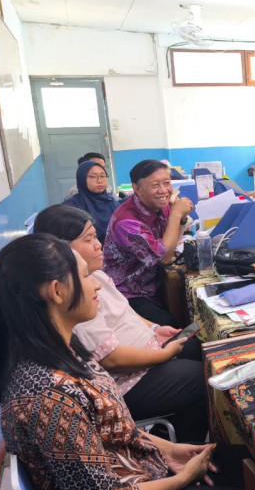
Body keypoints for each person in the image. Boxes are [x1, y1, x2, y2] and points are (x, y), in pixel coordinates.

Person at [0, 233, 249, 490]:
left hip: (137, 473)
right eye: (85, 277)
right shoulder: (50, 397)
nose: (96, 285)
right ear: (57, 291)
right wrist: (183, 479)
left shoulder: (62, 350)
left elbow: (112, 431)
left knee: (251, 465)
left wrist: (168, 450)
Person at [34, 205, 209, 443]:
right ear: (60, 249)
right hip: (127, 381)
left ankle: (173, 432)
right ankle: (185, 450)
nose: (98, 245)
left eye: (96, 236)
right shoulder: (75, 299)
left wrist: (154, 329)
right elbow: (112, 359)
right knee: (202, 377)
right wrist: (163, 355)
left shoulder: (96, 276)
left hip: (146, 352)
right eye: (88, 239)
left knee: (198, 348)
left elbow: (125, 311)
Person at [103, 159, 195, 326]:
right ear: (137, 189)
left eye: (167, 183)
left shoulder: (159, 205)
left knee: (187, 308)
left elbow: (171, 243)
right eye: (155, 185)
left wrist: (181, 219)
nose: (163, 190)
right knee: (170, 325)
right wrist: (176, 214)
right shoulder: (127, 222)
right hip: (127, 292)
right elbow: (164, 257)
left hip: (152, 283)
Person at [63, 160, 121, 244]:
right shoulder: (71, 206)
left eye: (103, 176)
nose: (99, 181)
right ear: (82, 179)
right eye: (93, 177)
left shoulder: (112, 202)